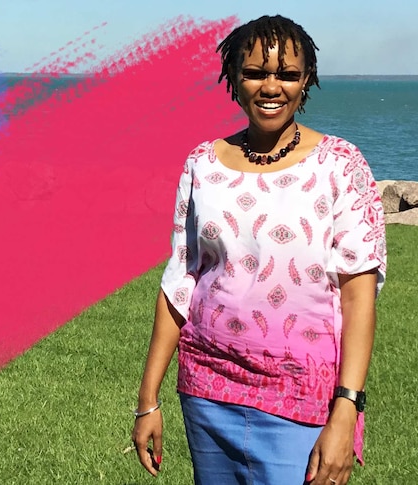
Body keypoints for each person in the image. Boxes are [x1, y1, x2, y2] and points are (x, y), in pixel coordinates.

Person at [130, 15, 387, 485]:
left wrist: (347, 407)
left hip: (303, 400)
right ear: (233, 76)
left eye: (287, 74)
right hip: (207, 389)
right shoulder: (202, 163)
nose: (272, 87)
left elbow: (358, 295)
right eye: (255, 72)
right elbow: (180, 281)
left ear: (306, 79)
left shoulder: (341, 165)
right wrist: (148, 400)